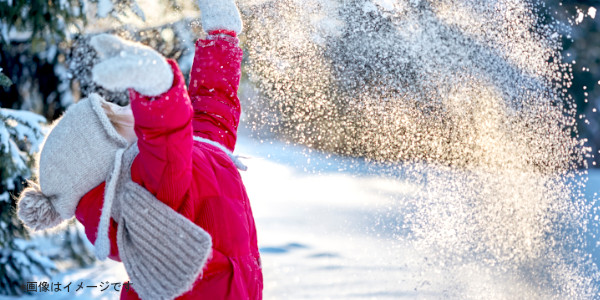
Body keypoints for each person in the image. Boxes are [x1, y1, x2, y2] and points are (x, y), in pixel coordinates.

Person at [17, 0, 263, 299]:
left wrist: (221, 36)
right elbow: (163, 137)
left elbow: (212, 108)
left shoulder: (187, 155)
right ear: (116, 162)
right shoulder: (153, 187)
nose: (126, 109)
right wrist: (156, 90)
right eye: (116, 118)